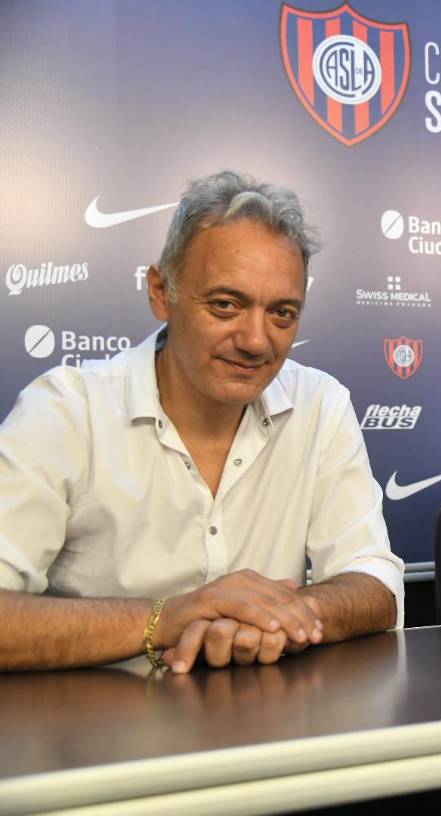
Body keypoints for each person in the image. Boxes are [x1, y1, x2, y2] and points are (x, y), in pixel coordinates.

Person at [0, 171, 404, 672]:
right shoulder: (65, 410)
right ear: (159, 292)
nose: (256, 340)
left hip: (273, 731)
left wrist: (284, 615)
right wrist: (168, 619)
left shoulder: (320, 403)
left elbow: (375, 582)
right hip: (91, 736)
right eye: (225, 305)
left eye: (282, 313)